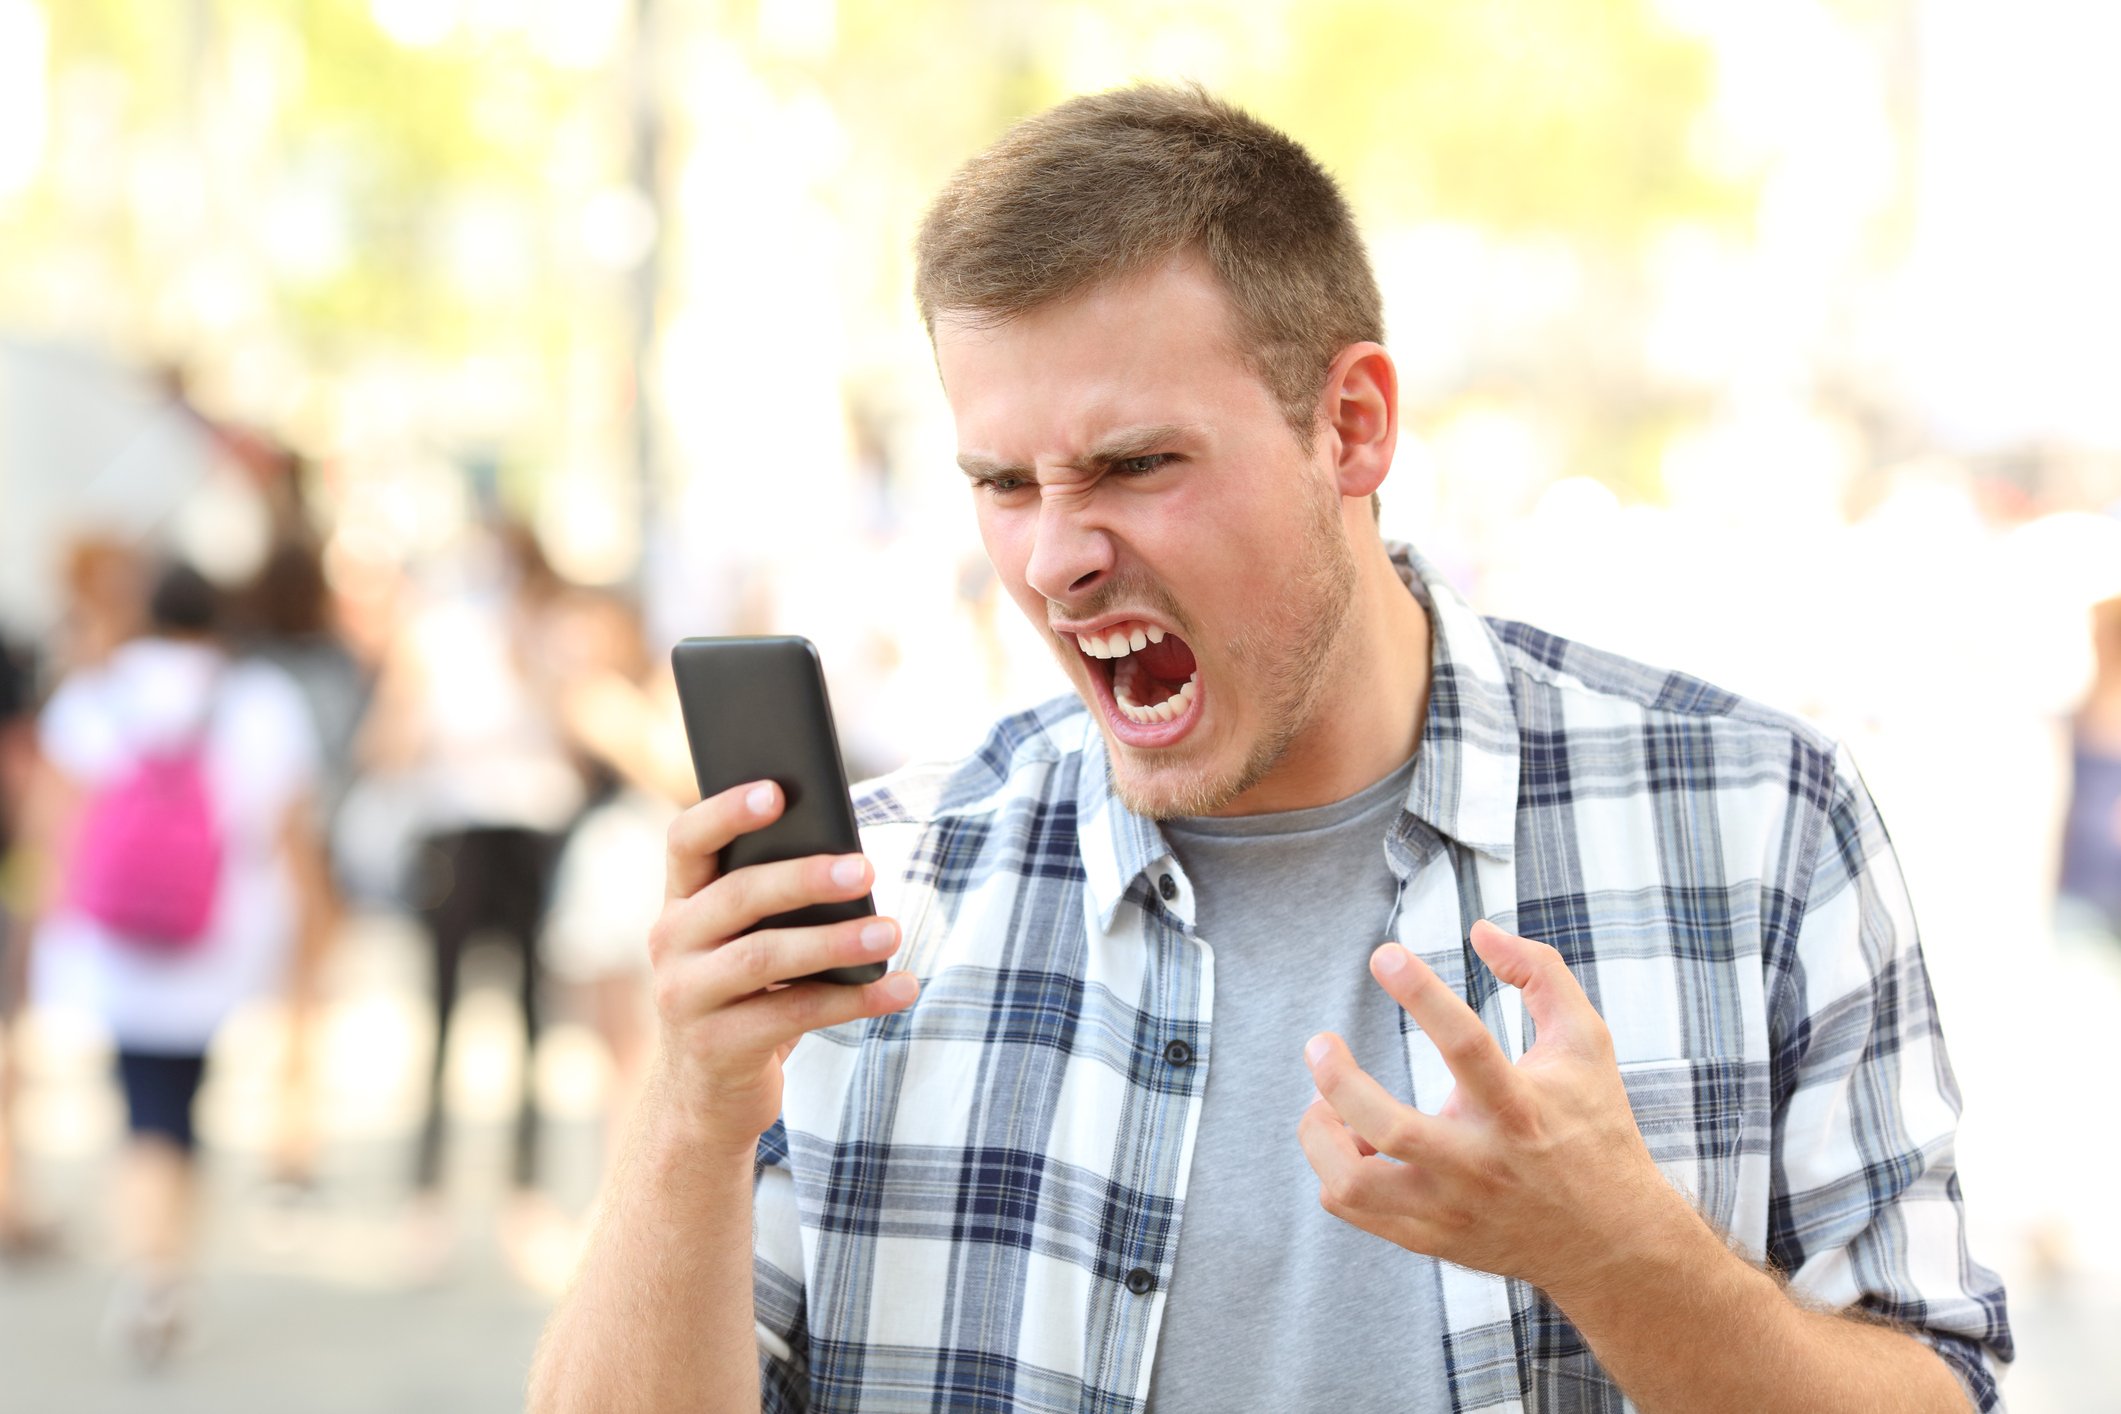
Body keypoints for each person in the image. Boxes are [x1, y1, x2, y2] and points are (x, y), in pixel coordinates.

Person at [531, 86, 2011, 1412]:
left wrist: (1615, 1248)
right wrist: (691, 1115)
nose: (1052, 557)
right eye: (1003, 481)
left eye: (1133, 465)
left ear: (1352, 426)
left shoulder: (1757, 821)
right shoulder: (891, 889)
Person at [32, 561, 325, 1365]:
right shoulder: (260, 702)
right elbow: (291, 832)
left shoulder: (94, 698)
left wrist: (48, 929)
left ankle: (155, 1270)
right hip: (220, 943)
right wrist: (312, 943)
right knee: (180, 1105)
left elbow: (57, 823)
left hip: (118, 948)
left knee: (145, 1105)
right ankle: (163, 1271)